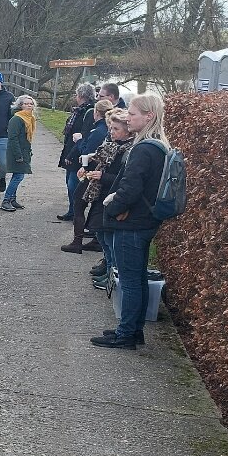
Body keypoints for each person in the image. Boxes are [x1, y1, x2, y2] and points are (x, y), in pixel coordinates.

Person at [91, 93, 170, 349]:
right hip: (145, 220)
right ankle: (133, 330)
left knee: (130, 280)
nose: (128, 116)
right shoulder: (157, 145)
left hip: (133, 223)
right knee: (137, 278)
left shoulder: (144, 149)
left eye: (133, 113)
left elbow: (130, 188)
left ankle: (126, 334)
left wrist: (112, 208)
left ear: (149, 116)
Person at [64, 108, 132, 260]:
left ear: (128, 131)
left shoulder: (127, 150)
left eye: (115, 129)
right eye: (111, 128)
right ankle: (84, 243)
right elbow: (99, 159)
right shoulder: (112, 144)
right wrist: (86, 168)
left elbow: (123, 178)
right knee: (98, 228)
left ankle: (86, 247)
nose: (111, 132)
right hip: (97, 184)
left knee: (105, 233)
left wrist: (102, 176)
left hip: (108, 192)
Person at [57, 83, 99, 220]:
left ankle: (75, 213)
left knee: (73, 185)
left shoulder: (87, 112)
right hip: (73, 150)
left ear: (80, 95)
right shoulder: (82, 110)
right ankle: (72, 211)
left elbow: (83, 135)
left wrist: (71, 154)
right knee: (71, 183)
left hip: (77, 153)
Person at [0, 95, 36, 211]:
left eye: (31, 104)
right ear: (20, 105)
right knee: (19, 176)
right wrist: (18, 155)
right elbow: (13, 138)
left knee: (17, 175)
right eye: (26, 103)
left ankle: (12, 199)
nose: (29, 106)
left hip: (24, 151)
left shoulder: (30, 118)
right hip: (16, 152)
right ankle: (6, 200)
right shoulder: (17, 119)